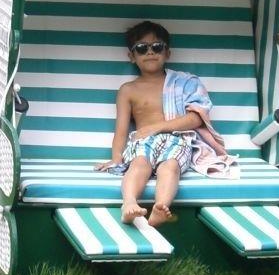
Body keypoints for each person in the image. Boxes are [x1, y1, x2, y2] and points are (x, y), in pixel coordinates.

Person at [96, 21, 236, 227]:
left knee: (170, 166)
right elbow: (121, 131)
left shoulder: (185, 83)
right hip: (143, 141)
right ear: (131, 56)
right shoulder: (128, 90)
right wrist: (116, 159)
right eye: (142, 48)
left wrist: (157, 127)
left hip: (178, 139)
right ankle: (129, 203)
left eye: (157, 46)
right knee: (139, 163)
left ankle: (160, 207)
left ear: (167, 53)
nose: (150, 52)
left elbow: (197, 117)